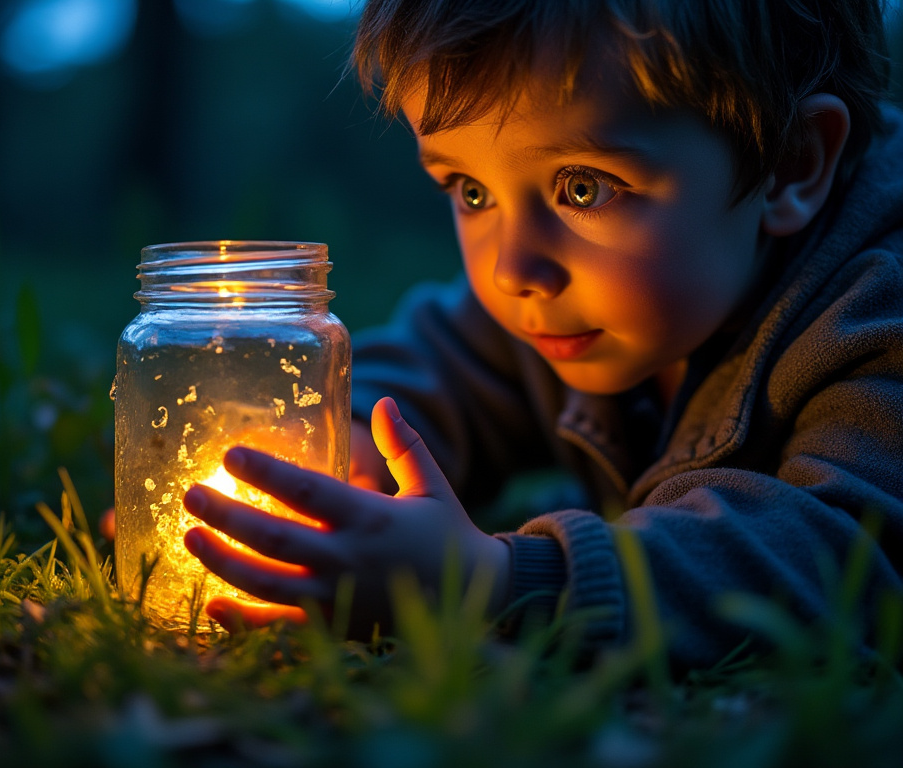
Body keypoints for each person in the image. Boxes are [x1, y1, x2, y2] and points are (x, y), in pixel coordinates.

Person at [178, 0, 903, 668]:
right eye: (472, 192)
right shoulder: (576, 301)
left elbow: (846, 560)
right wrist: (348, 449)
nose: (512, 268)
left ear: (791, 164)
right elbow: (440, 364)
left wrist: (495, 584)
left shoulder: (876, 316)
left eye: (583, 187)